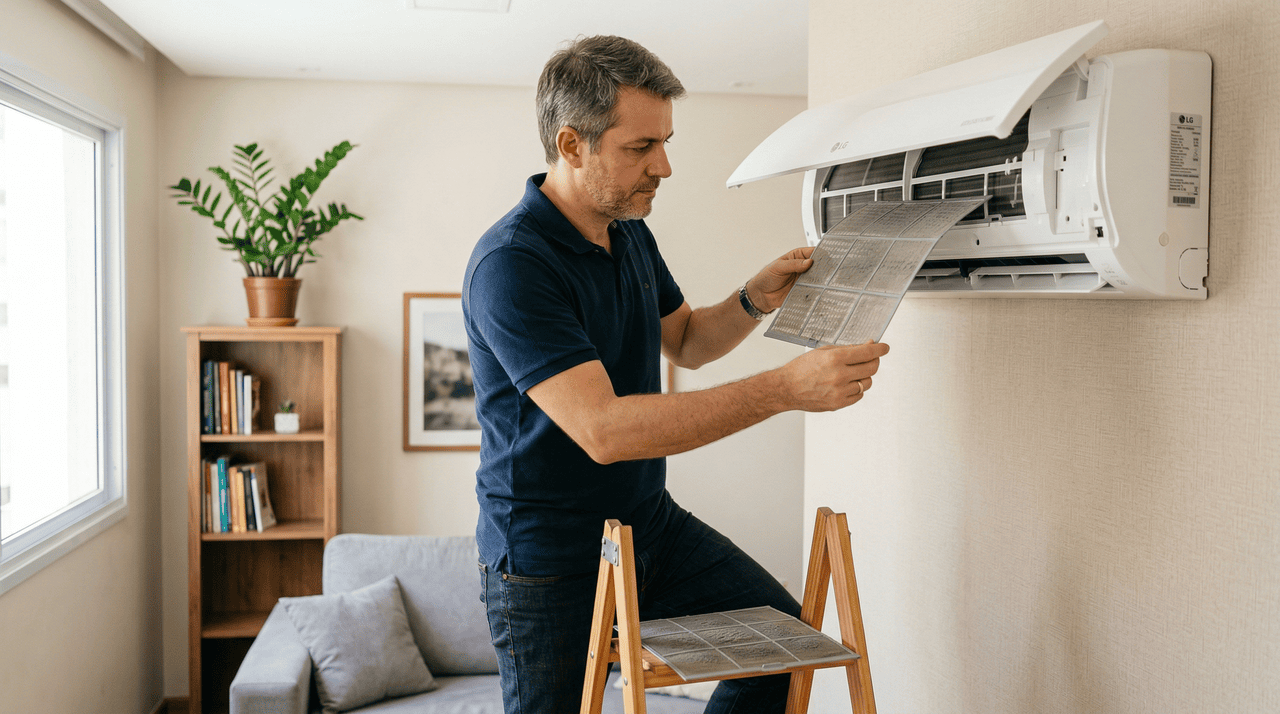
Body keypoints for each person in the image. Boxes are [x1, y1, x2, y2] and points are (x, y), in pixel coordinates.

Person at [462, 35, 889, 714]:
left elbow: (686, 341)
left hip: (644, 523)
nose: (663, 165)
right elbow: (603, 430)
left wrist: (755, 296)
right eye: (640, 148)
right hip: (546, 559)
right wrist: (783, 389)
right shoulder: (512, 266)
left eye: (664, 142)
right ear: (572, 145)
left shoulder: (627, 229)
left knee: (783, 654)